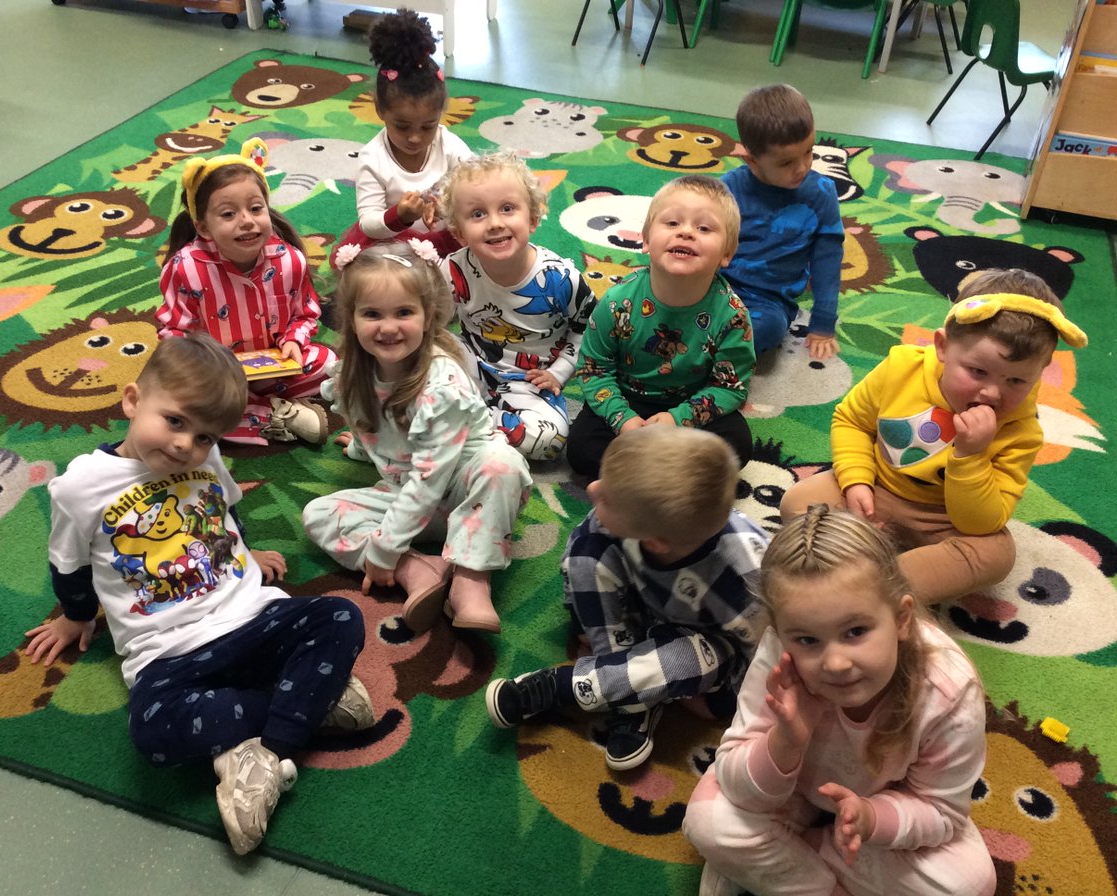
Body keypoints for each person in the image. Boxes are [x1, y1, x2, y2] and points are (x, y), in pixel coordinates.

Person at [23, 332, 372, 856]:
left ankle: (267, 750)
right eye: (175, 421)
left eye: (205, 436)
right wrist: (76, 616)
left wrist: (247, 553)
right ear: (132, 400)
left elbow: (224, 512)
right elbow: (68, 564)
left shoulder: (205, 462)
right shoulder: (81, 487)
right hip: (167, 653)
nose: (187, 445)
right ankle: (304, 702)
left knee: (340, 615)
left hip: (250, 618)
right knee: (152, 731)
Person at [683, 505, 995, 896]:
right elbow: (734, 779)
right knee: (707, 822)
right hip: (795, 792)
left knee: (972, 885)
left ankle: (780, 861)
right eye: (807, 640)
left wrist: (871, 818)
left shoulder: (949, 693)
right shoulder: (781, 656)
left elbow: (940, 811)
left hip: (880, 810)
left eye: (855, 631)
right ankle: (809, 877)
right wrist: (785, 742)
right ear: (780, 633)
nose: (835, 664)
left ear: (901, 619)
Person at [779, 268, 1088, 605]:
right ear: (942, 346)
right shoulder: (901, 368)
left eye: (1016, 381)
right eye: (977, 371)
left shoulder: (1021, 431)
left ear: (1040, 374)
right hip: (878, 488)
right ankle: (874, 574)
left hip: (944, 519)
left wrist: (970, 456)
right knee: (797, 502)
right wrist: (856, 481)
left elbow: (979, 523)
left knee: (995, 555)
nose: (991, 393)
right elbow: (852, 421)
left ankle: (876, 586)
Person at [485, 426, 767, 771]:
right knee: (586, 554)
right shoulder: (629, 513)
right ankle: (633, 697)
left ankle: (563, 687)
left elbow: (765, 653)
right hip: (642, 606)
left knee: (694, 658)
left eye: (606, 497)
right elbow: (581, 560)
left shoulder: (746, 575)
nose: (592, 489)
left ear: (656, 542)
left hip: (706, 643)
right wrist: (589, 624)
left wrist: (723, 702)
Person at [303, 241, 532, 636]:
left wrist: (383, 550)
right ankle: (419, 569)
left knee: (503, 464)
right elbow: (376, 425)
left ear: (428, 317)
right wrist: (360, 448)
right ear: (351, 319)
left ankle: (471, 578)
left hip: (471, 493)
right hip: (415, 499)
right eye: (372, 314)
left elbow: (429, 479)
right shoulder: (352, 375)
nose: (388, 327)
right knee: (318, 514)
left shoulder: (443, 385)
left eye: (404, 312)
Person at [565, 174, 755, 483]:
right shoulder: (617, 302)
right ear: (645, 240)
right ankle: (671, 472)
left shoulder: (733, 315)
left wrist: (678, 419)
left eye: (704, 228)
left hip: (692, 403)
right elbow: (594, 369)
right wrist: (623, 419)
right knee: (581, 449)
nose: (686, 232)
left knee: (737, 445)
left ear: (727, 254)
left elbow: (729, 386)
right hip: (627, 397)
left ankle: (641, 471)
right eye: (672, 223)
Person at [157, 137, 334, 446]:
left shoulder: (289, 260)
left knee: (329, 362)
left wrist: (293, 340)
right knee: (178, 396)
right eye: (228, 214)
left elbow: (305, 314)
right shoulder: (185, 269)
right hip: (214, 373)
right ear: (203, 227)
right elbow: (174, 333)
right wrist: (204, 369)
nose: (247, 221)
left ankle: (249, 410)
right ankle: (276, 414)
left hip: (274, 366)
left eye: (255, 208)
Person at [436, 151, 597, 461]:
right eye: (478, 214)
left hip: (532, 381)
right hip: (471, 362)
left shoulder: (560, 278)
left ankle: (460, 424)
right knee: (418, 350)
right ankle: (474, 426)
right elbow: (434, 326)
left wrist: (559, 373)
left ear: (532, 218)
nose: (495, 223)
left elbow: (589, 330)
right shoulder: (453, 269)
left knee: (548, 440)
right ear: (458, 233)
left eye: (507, 209)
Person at [333, 8, 473, 260]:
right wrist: (400, 216)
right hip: (394, 246)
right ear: (379, 109)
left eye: (428, 126)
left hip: (449, 241)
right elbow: (368, 223)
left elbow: (477, 183)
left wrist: (449, 206)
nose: (415, 138)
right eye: (402, 126)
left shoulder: (450, 147)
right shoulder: (373, 158)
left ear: (441, 113)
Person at [721, 84, 843, 360]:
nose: (803, 167)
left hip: (768, 302)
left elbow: (827, 261)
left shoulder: (821, 194)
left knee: (768, 329)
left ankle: (702, 354)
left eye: (809, 152)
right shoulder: (727, 189)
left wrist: (823, 323)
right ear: (752, 160)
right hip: (714, 285)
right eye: (786, 163)